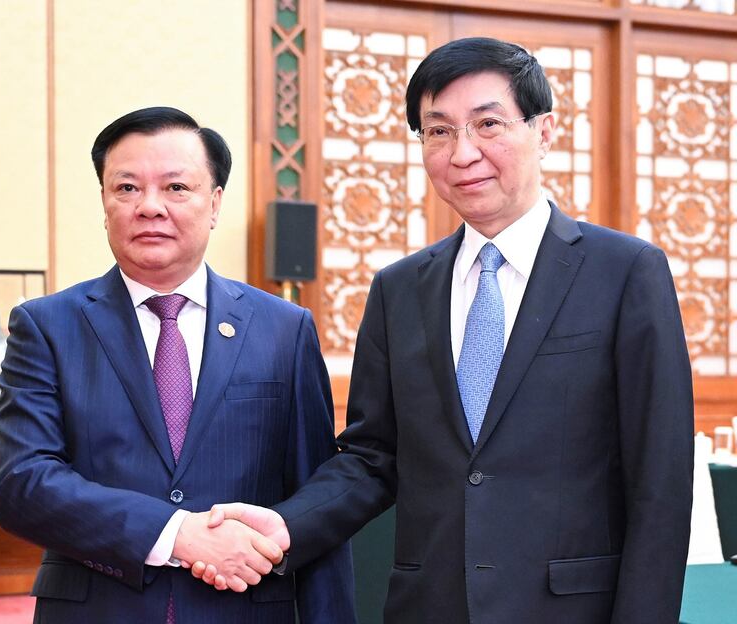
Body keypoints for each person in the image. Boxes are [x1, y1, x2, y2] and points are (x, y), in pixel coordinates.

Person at [200, 38, 694, 623]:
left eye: (488, 124)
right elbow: (371, 456)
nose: (463, 153)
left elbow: (659, 477)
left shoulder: (626, 271)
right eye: (438, 132)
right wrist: (285, 525)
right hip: (428, 606)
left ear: (545, 131)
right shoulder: (399, 289)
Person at [0, 106, 356, 624]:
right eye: (127, 188)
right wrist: (174, 533)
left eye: (176, 188)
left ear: (214, 203)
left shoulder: (284, 328)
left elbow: (315, 503)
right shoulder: (47, 326)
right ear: (104, 203)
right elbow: (22, 484)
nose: (150, 207)